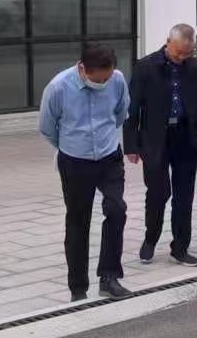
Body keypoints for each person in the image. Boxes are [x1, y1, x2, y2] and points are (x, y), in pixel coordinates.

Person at [39, 43, 132, 302]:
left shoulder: (117, 80)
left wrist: (104, 138)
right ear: (82, 68)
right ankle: (78, 288)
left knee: (117, 210)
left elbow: (120, 112)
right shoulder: (58, 87)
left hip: (109, 156)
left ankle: (109, 277)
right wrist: (72, 145)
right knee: (78, 221)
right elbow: (47, 127)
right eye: (97, 80)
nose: (102, 84)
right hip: (75, 161)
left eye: (106, 79)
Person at [126, 24, 197, 268]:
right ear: (167, 42)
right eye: (178, 52)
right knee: (158, 192)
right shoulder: (145, 67)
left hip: (185, 137)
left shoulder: (194, 67)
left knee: (184, 195)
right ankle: (150, 239)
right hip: (155, 139)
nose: (182, 57)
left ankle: (180, 247)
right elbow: (132, 108)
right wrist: (131, 145)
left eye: (187, 53)